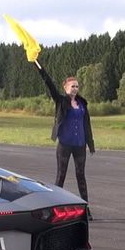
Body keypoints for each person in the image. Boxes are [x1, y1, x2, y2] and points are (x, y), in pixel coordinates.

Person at [36, 62, 95, 216]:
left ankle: (86, 209)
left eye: (77, 86)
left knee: (81, 176)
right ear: (65, 88)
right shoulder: (61, 101)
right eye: (72, 86)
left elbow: (87, 124)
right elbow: (49, 84)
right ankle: (54, 208)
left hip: (80, 145)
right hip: (64, 144)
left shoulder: (82, 103)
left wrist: (90, 143)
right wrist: (40, 67)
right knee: (61, 176)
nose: (75, 89)